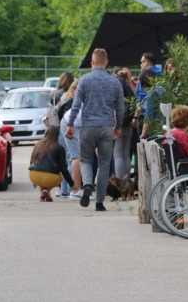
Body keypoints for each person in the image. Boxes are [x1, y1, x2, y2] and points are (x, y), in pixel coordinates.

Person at [65, 48, 124, 212]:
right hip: (106, 128)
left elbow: (76, 105)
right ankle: (99, 203)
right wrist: (117, 127)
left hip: (88, 127)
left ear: (92, 62)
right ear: (106, 63)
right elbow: (120, 108)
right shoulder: (115, 82)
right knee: (104, 164)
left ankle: (88, 184)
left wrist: (70, 124)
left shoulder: (84, 80)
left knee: (86, 160)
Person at [29, 126, 73, 201]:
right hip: (49, 177)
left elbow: (31, 161)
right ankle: (47, 191)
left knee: (42, 177)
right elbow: (63, 169)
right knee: (59, 177)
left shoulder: (37, 144)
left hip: (33, 175)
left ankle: (42, 196)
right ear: (58, 136)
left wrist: (33, 180)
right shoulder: (59, 147)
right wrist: (72, 183)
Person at [57, 80, 83, 200]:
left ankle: (63, 189)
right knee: (73, 158)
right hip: (69, 127)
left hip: (64, 126)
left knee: (68, 158)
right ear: (73, 89)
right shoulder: (72, 101)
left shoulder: (65, 98)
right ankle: (70, 189)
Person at [113, 70, 136, 180]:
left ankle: (120, 181)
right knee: (126, 154)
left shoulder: (115, 95)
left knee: (117, 155)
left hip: (117, 126)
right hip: (128, 126)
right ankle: (127, 180)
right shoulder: (130, 94)